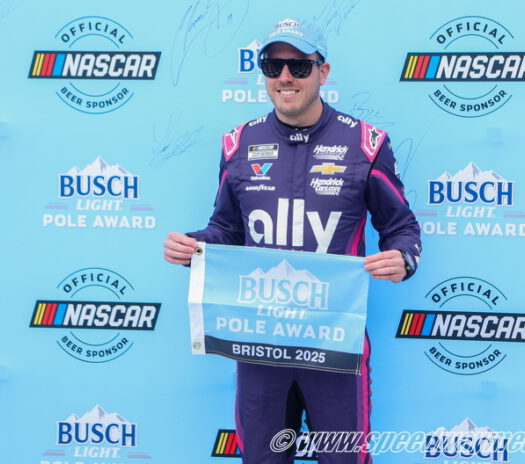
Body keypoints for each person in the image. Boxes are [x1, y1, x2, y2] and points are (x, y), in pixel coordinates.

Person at [164, 18, 421, 464]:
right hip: (260, 343)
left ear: (323, 71)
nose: (285, 77)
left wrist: (403, 258)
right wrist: (193, 247)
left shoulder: (366, 144)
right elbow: (226, 230)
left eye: (299, 66)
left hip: (334, 341)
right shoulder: (238, 143)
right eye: (273, 66)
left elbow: (402, 227)